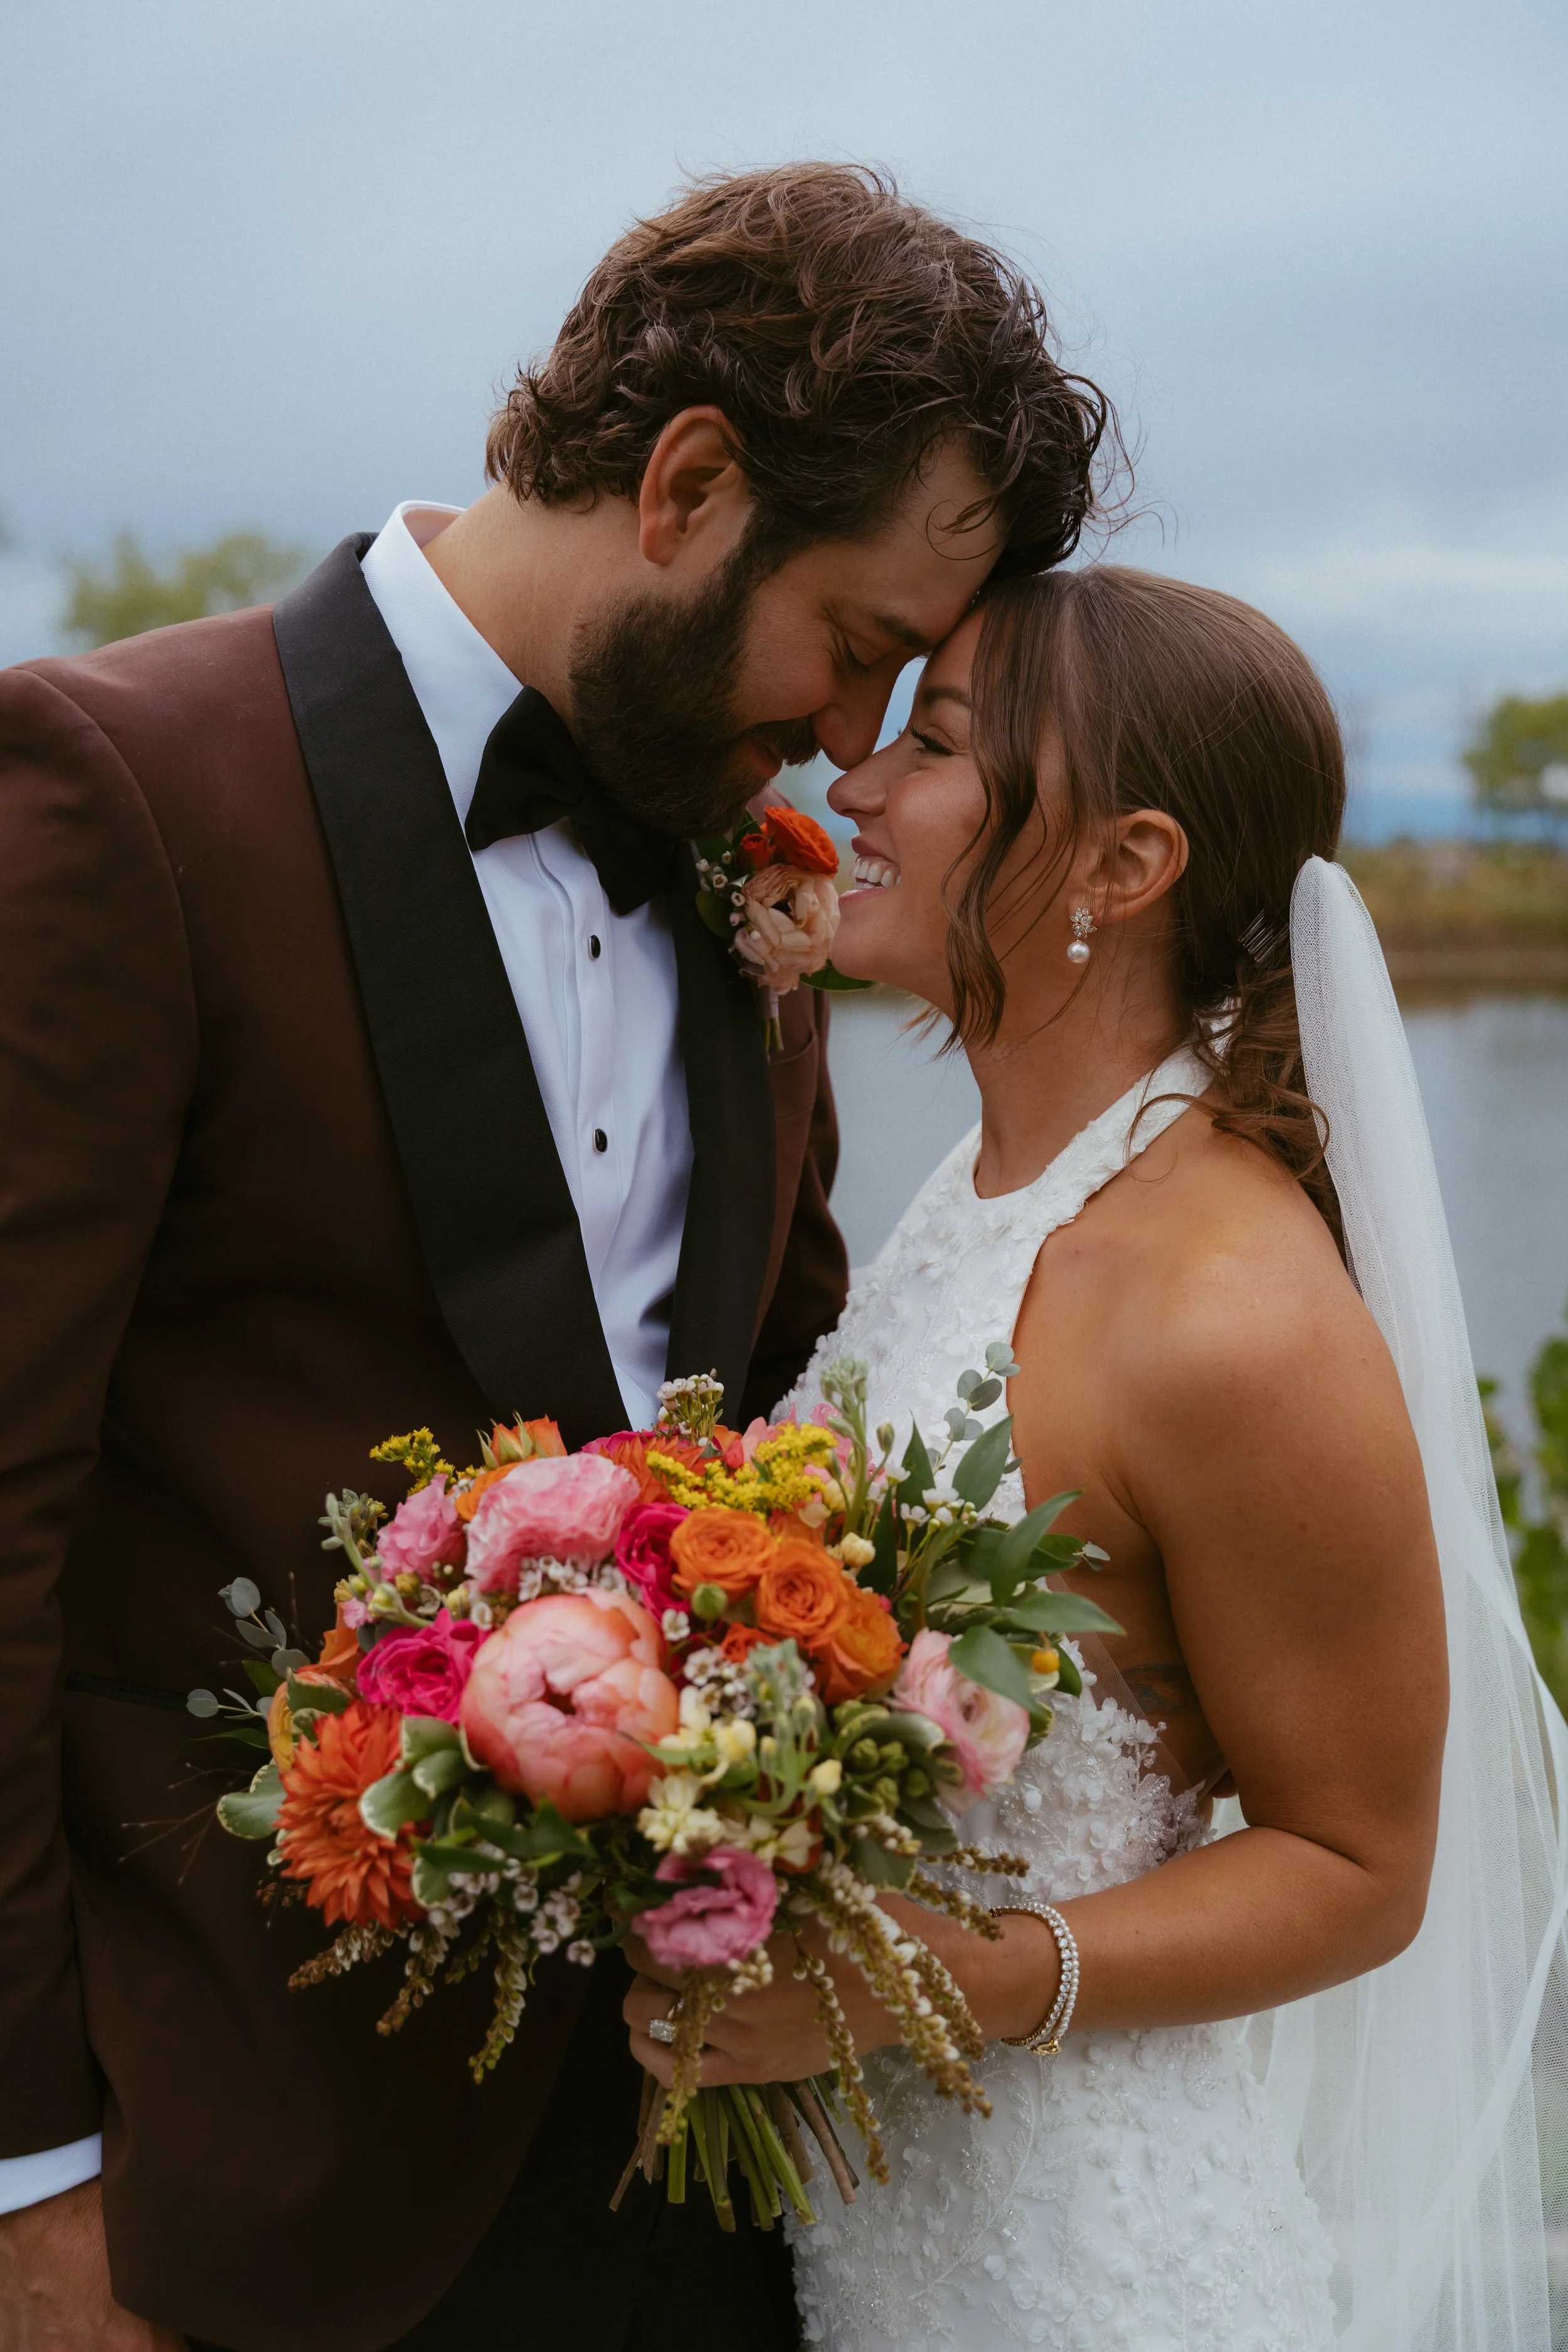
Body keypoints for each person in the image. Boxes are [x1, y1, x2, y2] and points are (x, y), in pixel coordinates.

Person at [0, 167, 1113, 2351]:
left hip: (699, 2161)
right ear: (688, 483)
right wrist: (33, 2180)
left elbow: (779, 1400)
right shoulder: (109, 789)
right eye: (858, 649)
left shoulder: (742, 846)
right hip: (229, 2170)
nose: (850, 751)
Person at [625, 567, 1568, 2348]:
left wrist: (913, 1984)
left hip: (1087, 2264)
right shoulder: (1006, 1187)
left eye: (941, 741)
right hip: (877, 2233)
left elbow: (1359, 1864)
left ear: (1127, 865)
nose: (857, 782)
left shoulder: (1229, 1310)